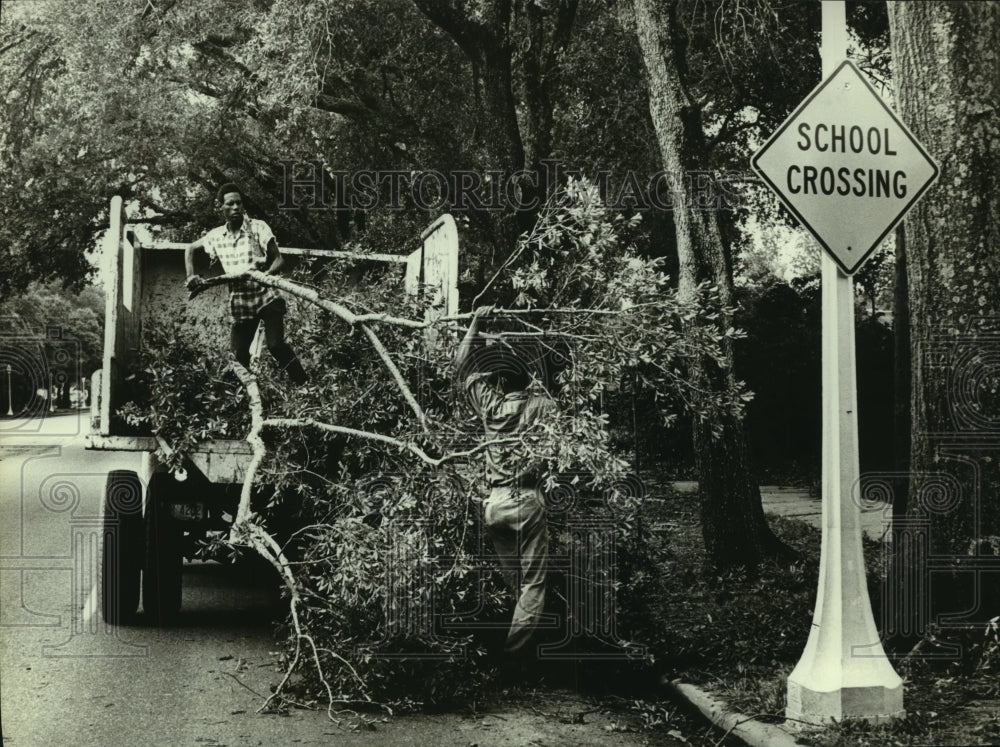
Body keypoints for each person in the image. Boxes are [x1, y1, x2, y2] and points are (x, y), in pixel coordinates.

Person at [453, 306, 561, 668]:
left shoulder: (490, 406)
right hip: (528, 501)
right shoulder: (542, 405)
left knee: (518, 584)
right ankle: (513, 663)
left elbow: (461, 366)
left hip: (495, 503)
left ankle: (527, 649)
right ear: (528, 378)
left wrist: (477, 325)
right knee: (532, 585)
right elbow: (554, 390)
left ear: (498, 382)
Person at [185, 183, 308, 385]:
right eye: (230, 204)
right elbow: (189, 249)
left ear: (243, 206)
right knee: (237, 357)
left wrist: (266, 275)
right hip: (241, 303)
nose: (235, 208)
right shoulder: (216, 236)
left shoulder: (258, 227)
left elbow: (279, 259)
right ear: (220, 207)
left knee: (276, 345)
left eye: (238, 203)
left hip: (267, 297)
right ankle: (250, 397)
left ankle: (304, 385)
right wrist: (191, 276)